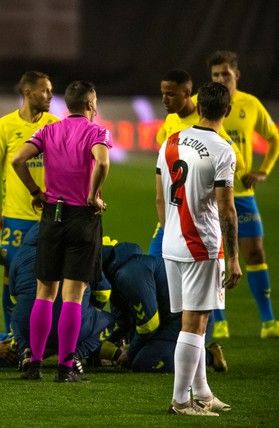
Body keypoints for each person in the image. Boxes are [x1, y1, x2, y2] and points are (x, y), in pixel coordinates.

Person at [12, 80, 111, 382]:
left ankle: (34, 364)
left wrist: (35, 190)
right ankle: (66, 367)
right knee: (73, 295)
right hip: (82, 218)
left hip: (51, 217)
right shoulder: (97, 132)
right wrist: (93, 195)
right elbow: (103, 162)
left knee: (45, 292)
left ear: (68, 105)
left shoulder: (49, 130)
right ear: (91, 105)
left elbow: (18, 159)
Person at [156, 81, 242, 415]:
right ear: (228, 110)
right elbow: (226, 209)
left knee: (191, 324)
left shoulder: (172, 140)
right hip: (201, 246)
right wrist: (233, 258)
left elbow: (161, 191)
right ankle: (180, 401)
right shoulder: (223, 149)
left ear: (198, 106)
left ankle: (203, 393)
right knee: (196, 325)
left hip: (172, 243)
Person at [205, 51, 279, 339]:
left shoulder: (250, 104)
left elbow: (273, 138)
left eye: (225, 73)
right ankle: (219, 322)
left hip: (243, 191)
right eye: (215, 75)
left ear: (237, 74)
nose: (221, 79)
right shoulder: (205, 105)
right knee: (214, 254)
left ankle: (269, 321)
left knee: (254, 251)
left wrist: (263, 171)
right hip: (212, 193)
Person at [0, 71, 60, 332]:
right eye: (45, 90)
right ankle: (12, 334)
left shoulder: (54, 123)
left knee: (49, 278)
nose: (50, 95)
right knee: (12, 277)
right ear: (28, 93)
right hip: (15, 216)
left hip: (48, 215)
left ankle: (42, 334)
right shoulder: (5, 125)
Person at [150, 69, 245, 258]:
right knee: (155, 272)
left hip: (194, 220)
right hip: (170, 216)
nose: (164, 99)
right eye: (163, 93)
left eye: (170, 94)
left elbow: (238, 162)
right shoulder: (171, 119)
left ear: (187, 94)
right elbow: (161, 140)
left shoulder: (206, 122)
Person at [100, 241, 227, 374]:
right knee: (136, 351)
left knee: (144, 362)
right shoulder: (122, 272)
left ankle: (208, 356)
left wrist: (130, 353)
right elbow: (123, 323)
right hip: (172, 320)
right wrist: (105, 346)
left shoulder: (128, 274)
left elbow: (149, 325)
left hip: (189, 323)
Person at [8, 224, 115, 371]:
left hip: (30, 326)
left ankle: (27, 352)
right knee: (109, 321)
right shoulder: (81, 251)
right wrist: (91, 307)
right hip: (75, 326)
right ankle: (75, 355)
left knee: (16, 314)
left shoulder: (21, 254)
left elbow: (14, 296)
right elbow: (103, 292)